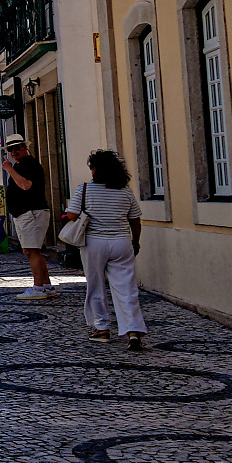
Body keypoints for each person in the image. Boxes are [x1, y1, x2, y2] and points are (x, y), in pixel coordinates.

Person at [77, 149, 146, 348]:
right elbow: (135, 220)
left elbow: (73, 216)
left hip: (94, 243)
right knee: (127, 288)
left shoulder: (84, 190)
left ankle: (102, 329)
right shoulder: (125, 191)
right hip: (122, 242)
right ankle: (133, 331)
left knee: (96, 286)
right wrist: (135, 242)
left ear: (96, 169)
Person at [3, 134, 56, 300]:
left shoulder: (28, 164)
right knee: (34, 250)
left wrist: (9, 169)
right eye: (10, 149)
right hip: (28, 212)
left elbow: (26, 185)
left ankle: (38, 288)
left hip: (30, 212)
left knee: (31, 250)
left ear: (25, 148)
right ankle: (46, 286)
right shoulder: (23, 164)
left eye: (16, 148)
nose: (13, 152)